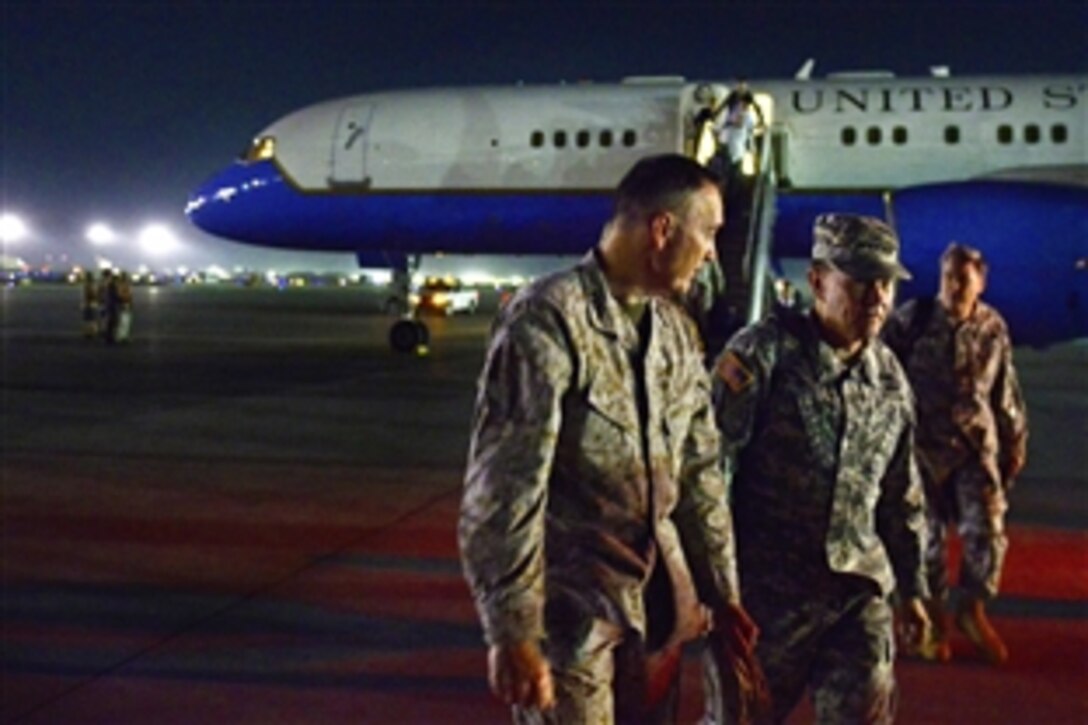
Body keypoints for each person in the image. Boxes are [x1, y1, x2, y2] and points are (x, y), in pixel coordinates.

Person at [459, 154, 764, 723]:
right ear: (662, 229)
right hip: (571, 621)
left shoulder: (674, 330)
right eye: (710, 233)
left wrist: (723, 593)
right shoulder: (547, 320)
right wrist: (512, 630)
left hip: (658, 616)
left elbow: (700, 474)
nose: (713, 254)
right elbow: (505, 489)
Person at [711, 213, 931, 723]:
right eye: (858, 282)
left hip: (857, 595)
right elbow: (710, 476)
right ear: (816, 281)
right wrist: (714, 588)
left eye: (885, 284)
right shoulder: (762, 356)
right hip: (767, 601)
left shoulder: (889, 378)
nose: (877, 298)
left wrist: (913, 589)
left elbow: (901, 493)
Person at [883, 242, 1028, 665]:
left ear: (980, 282)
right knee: (924, 540)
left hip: (972, 450)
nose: (953, 286)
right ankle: (930, 618)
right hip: (920, 450)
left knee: (987, 533)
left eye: (963, 278)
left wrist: (1014, 441)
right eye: (947, 276)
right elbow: (882, 374)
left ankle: (971, 608)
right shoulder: (914, 321)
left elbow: (1005, 391)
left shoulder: (991, 328)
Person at [81, 271, 100, 339]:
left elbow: (87, 295)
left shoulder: (87, 285)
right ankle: (92, 332)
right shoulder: (92, 285)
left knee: (88, 319)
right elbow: (93, 294)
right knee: (92, 319)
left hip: (88, 304)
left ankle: (88, 332)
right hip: (92, 304)